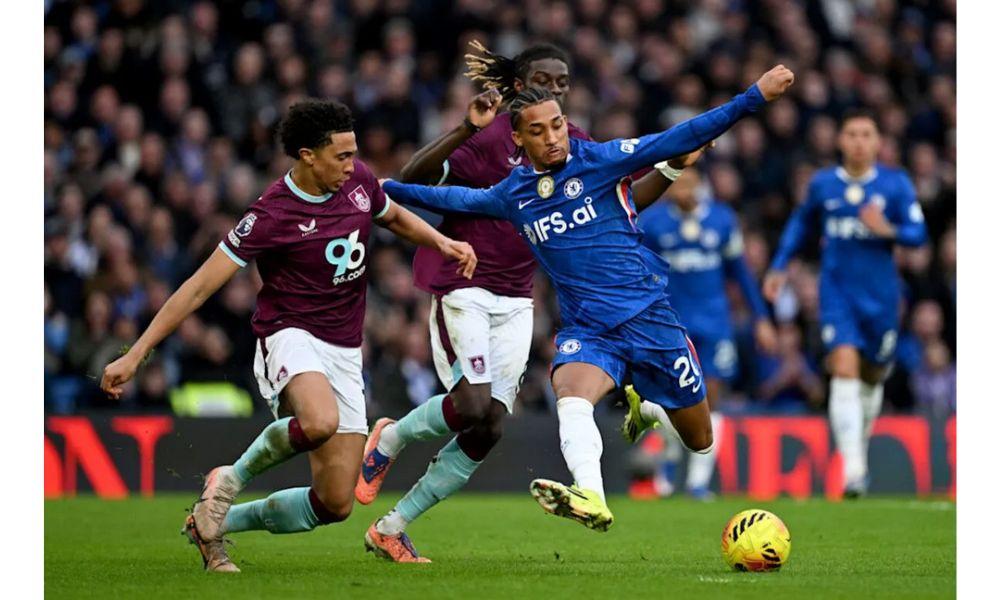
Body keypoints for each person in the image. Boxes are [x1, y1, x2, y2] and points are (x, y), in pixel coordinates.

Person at [381, 64, 795, 532]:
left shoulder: (601, 160)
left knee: (700, 440)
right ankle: (591, 495)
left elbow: (680, 135)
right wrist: (374, 191)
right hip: (590, 330)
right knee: (571, 394)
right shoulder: (513, 195)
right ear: (518, 139)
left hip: (650, 320)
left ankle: (646, 403)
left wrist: (753, 96)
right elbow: (448, 198)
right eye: (538, 131)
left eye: (557, 125)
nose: (552, 138)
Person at [356, 41, 704, 562]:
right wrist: (465, 128)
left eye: (563, 84)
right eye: (546, 80)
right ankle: (390, 440)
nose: (557, 91)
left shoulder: (573, 143)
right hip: (464, 283)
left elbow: (623, 199)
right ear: (518, 86)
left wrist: (672, 169)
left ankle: (392, 526)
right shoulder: (489, 137)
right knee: (472, 404)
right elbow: (412, 181)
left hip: (518, 296)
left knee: (489, 427)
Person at [100, 99, 477, 571]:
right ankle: (229, 479)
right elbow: (197, 288)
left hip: (344, 346)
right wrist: (135, 354)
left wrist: (441, 242)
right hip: (289, 333)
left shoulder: (357, 181)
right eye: (341, 156)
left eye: (353, 153)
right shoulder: (271, 214)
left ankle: (214, 521)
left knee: (334, 504)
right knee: (319, 421)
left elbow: (393, 216)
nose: (352, 165)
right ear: (307, 156)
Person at [763, 109, 927, 498]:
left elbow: (918, 234)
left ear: (878, 142)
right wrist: (780, 264)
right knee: (844, 366)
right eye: (851, 134)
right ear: (840, 141)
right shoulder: (823, 184)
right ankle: (853, 471)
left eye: (866, 134)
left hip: (882, 298)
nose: (858, 141)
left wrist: (887, 229)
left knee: (872, 375)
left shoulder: (895, 183)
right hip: (837, 294)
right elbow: (800, 224)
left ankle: (858, 451)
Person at [631, 167, 777, 499]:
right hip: (670, 323)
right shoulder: (653, 223)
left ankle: (698, 482)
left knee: (711, 397)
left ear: (701, 187)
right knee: (670, 397)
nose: (683, 189)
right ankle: (666, 471)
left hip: (714, 323)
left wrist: (761, 318)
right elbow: (639, 274)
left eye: (690, 183)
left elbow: (740, 273)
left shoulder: (722, 220)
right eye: (678, 183)